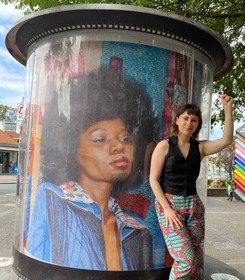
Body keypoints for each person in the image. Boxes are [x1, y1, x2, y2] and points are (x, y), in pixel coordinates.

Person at [26, 66, 157, 271]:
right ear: (72, 150)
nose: (118, 146)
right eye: (100, 139)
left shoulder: (138, 232)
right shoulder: (53, 202)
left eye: (125, 138)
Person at [149, 93, 233, 279]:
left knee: (195, 260)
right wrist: (167, 209)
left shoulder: (200, 147)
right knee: (185, 260)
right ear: (177, 120)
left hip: (193, 206)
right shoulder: (164, 146)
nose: (189, 123)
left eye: (194, 120)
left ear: (197, 124)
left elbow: (226, 140)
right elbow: (153, 180)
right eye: (185, 118)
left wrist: (228, 109)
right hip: (170, 206)